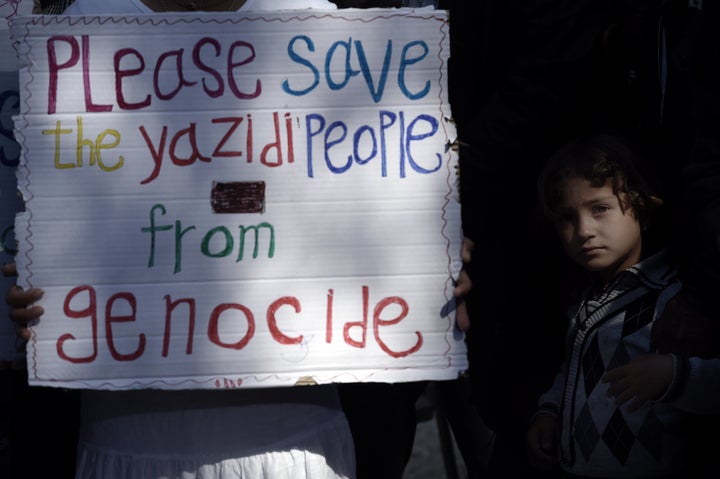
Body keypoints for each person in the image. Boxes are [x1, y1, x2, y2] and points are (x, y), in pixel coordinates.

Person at [525, 133, 695, 477]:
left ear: (641, 208)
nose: (584, 230)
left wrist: (675, 375)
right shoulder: (583, 297)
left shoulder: (675, 302)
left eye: (599, 209)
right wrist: (549, 411)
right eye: (566, 218)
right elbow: (576, 367)